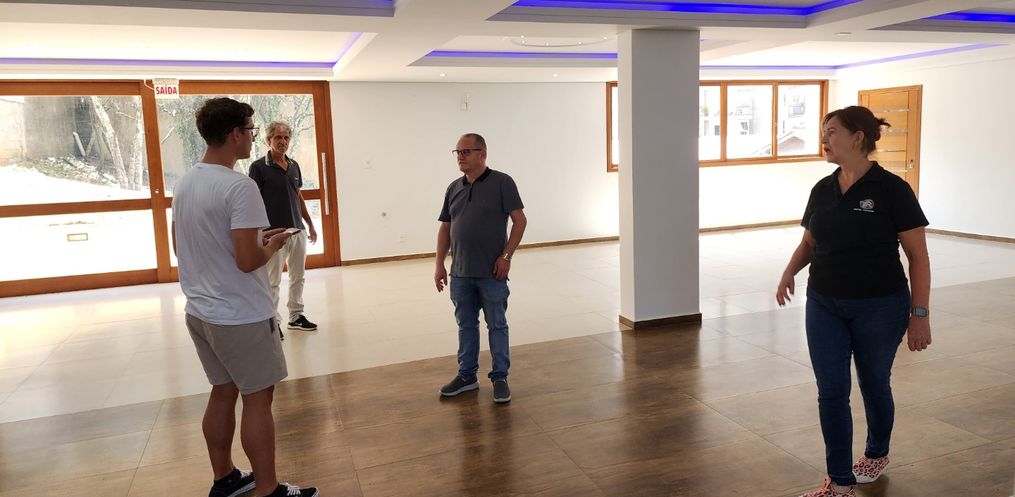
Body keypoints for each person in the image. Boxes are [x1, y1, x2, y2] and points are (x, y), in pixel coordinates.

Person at [776, 105, 932, 497]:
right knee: (831, 390)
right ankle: (840, 482)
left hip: (880, 306)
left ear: (857, 137)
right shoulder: (822, 188)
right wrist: (789, 271)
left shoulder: (892, 189)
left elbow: (918, 256)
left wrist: (920, 314)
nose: (823, 139)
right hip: (823, 303)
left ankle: (876, 452)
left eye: (831, 131)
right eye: (823, 131)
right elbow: (810, 241)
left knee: (874, 382)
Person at [172, 97, 319, 497]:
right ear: (235, 134)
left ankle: (225, 479)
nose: (254, 137)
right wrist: (272, 244)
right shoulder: (240, 185)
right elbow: (247, 260)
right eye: (252, 131)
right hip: (241, 315)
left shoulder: (186, 182)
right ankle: (268, 489)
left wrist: (256, 240)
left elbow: (183, 246)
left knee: (223, 392)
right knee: (258, 399)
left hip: (200, 311)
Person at [434, 133, 526, 404]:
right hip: (460, 273)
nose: (460, 157)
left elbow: (520, 221)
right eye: (457, 152)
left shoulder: (502, 183)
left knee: (496, 324)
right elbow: (446, 228)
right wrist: (439, 264)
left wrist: (506, 256)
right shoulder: (453, 188)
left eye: (466, 152)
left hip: (491, 273)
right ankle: (467, 376)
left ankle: (500, 377)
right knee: (466, 325)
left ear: (482, 154)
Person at [248, 121, 319, 338]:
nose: (283, 141)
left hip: (297, 229)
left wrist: (310, 224)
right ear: (269, 140)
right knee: (273, 280)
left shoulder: (294, 165)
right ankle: (272, 321)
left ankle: (296, 316)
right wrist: (257, 232)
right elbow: (252, 201)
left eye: (286, 137)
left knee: (298, 276)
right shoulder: (258, 167)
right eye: (278, 137)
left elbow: (298, 196)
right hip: (273, 233)